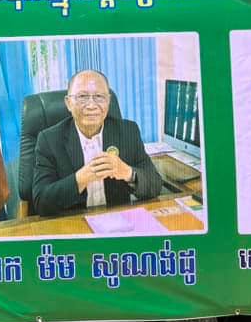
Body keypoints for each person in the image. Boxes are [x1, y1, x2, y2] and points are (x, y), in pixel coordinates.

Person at [31, 70, 162, 217]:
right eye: (82, 97)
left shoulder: (128, 131)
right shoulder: (49, 140)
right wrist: (80, 179)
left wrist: (128, 173)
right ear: (68, 103)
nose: (92, 105)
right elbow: (40, 202)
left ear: (108, 101)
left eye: (99, 97)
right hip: (74, 224)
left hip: (118, 222)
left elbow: (155, 184)